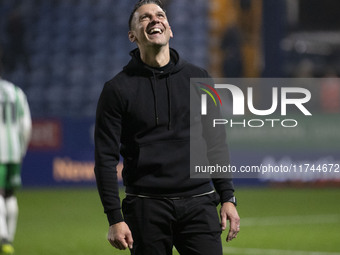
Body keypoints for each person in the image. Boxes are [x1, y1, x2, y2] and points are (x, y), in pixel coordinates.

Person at [94, 1, 240, 254]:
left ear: (170, 29)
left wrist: (227, 196)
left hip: (199, 204)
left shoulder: (201, 78)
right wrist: (115, 218)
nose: (154, 19)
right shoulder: (116, 89)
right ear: (132, 36)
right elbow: (105, 159)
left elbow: (215, 141)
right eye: (144, 18)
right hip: (145, 207)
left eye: (160, 15)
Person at [0, 66, 32, 254]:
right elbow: (26, 125)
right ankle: (8, 240)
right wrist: (21, 150)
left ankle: (2, 236)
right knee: (10, 195)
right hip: (13, 151)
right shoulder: (16, 92)